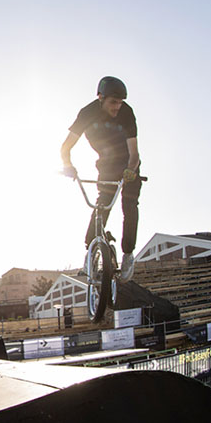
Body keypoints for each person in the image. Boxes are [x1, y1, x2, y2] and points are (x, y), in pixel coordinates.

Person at [60, 76, 142, 281]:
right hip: (107, 164)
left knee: (129, 205)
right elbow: (66, 147)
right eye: (113, 102)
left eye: (120, 102)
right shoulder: (87, 113)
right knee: (102, 205)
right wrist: (68, 165)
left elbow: (134, 154)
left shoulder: (126, 113)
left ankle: (128, 254)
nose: (117, 107)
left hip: (129, 165)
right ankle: (90, 251)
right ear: (100, 98)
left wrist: (131, 170)